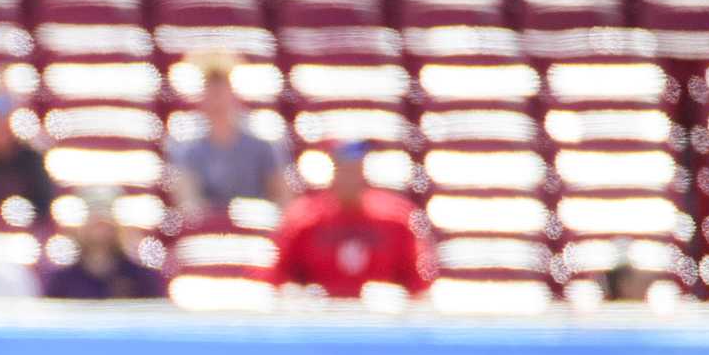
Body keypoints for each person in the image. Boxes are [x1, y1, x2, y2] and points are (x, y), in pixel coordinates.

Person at [273, 142, 435, 298]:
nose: (350, 176)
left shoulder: (397, 219)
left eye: (355, 169)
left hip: (381, 321)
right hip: (319, 320)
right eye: (344, 168)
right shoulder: (304, 219)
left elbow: (418, 287)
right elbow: (281, 282)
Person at [164, 60, 291, 217]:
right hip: (207, 235)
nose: (217, 101)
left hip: (256, 230)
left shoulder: (264, 141)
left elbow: (283, 200)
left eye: (221, 91)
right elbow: (188, 204)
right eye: (210, 92)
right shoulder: (185, 145)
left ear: (234, 94)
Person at [44, 189, 169, 300]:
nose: (100, 229)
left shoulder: (144, 279)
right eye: (93, 221)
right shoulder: (61, 281)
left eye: (105, 222)